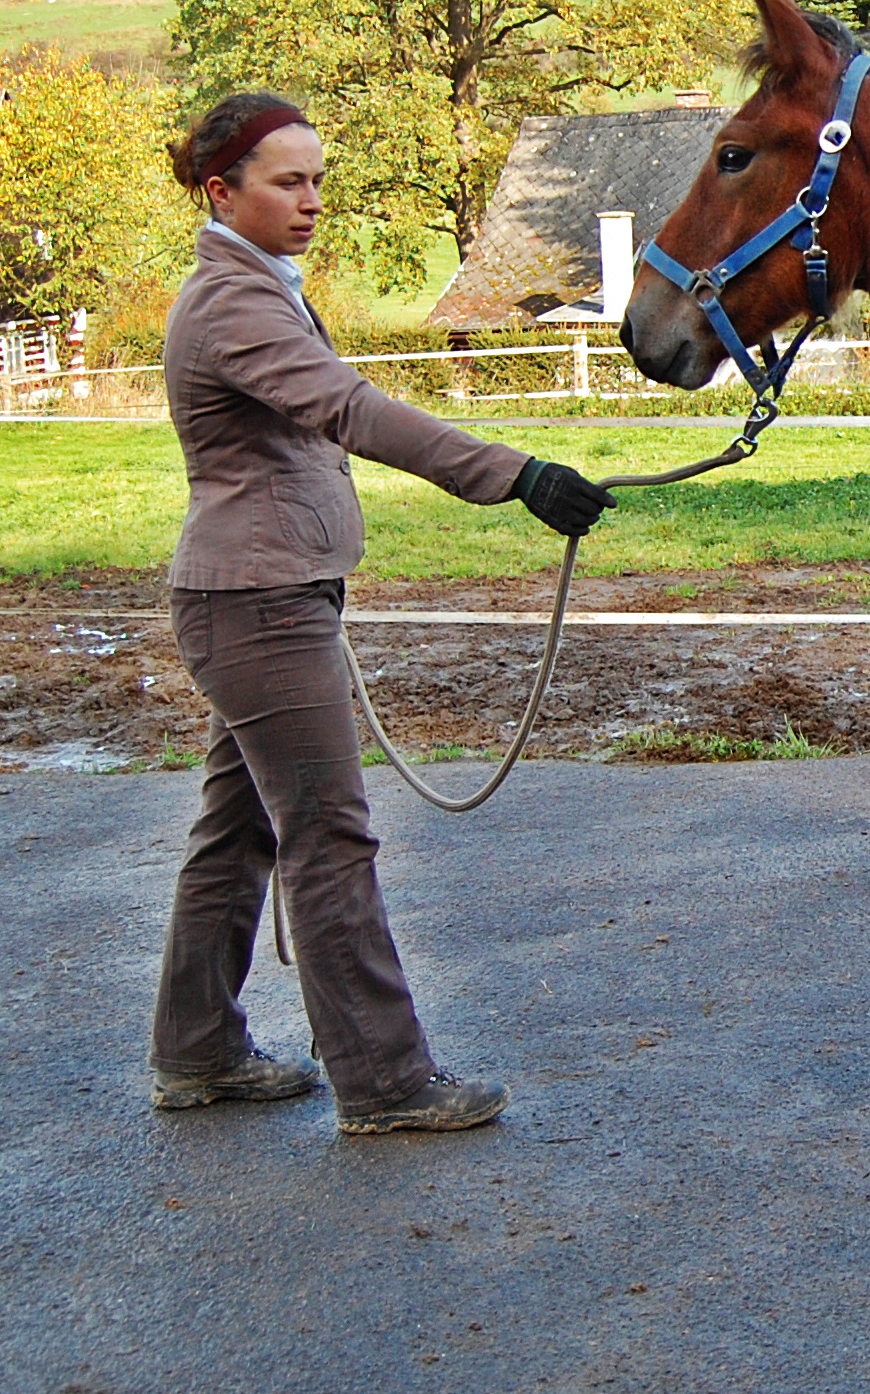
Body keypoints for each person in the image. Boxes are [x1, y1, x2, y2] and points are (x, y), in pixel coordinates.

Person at [147, 92, 615, 1134]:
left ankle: (199, 1050)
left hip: (259, 598)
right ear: (222, 191)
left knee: (238, 831)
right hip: (257, 606)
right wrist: (515, 474)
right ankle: (385, 1080)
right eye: (288, 181)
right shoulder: (233, 301)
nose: (312, 200)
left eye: (318, 178)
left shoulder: (254, 284)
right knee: (327, 831)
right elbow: (350, 408)